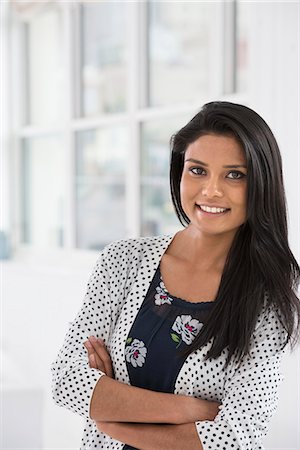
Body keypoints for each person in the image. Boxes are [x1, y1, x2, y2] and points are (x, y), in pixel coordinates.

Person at [51, 101, 300, 450]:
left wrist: (110, 414)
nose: (211, 190)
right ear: (178, 172)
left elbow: (236, 436)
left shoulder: (270, 293)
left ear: (261, 182)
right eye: (197, 170)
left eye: (234, 174)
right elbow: (66, 380)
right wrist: (189, 409)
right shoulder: (123, 260)